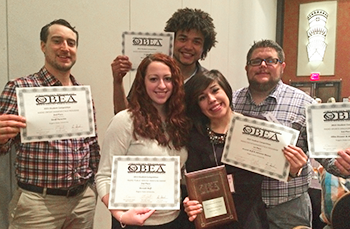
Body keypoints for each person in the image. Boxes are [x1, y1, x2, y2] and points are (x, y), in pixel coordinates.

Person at [232, 39, 350, 229]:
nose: (263, 65)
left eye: (271, 60)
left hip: (288, 209)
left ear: (282, 66)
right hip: (243, 206)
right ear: (247, 67)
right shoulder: (231, 102)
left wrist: (343, 164)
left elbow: (326, 156)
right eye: (256, 61)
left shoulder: (306, 104)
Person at [0, 19, 100, 228]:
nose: (65, 48)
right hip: (38, 204)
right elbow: (4, 146)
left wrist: (92, 188)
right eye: (57, 41)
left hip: (82, 202)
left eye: (71, 43)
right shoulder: (21, 88)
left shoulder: (82, 94)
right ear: (43, 46)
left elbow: (91, 145)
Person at [96, 53, 192, 229]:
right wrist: (121, 215)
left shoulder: (180, 123)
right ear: (142, 83)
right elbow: (103, 176)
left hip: (175, 220)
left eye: (168, 79)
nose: (162, 85)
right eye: (154, 79)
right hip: (133, 222)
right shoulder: (124, 121)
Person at [183, 70, 269, 228]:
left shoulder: (254, 125)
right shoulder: (195, 137)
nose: (212, 99)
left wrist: (293, 168)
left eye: (215, 90)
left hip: (251, 217)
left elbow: (278, 168)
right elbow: (194, 185)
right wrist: (191, 203)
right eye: (202, 98)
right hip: (214, 218)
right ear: (198, 106)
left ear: (226, 90)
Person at [111, 7, 217, 114]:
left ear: (204, 47)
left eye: (196, 42)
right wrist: (117, 82)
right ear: (171, 41)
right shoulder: (151, 73)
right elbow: (125, 116)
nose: (189, 47)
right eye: (183, 39)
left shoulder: (206, 82)